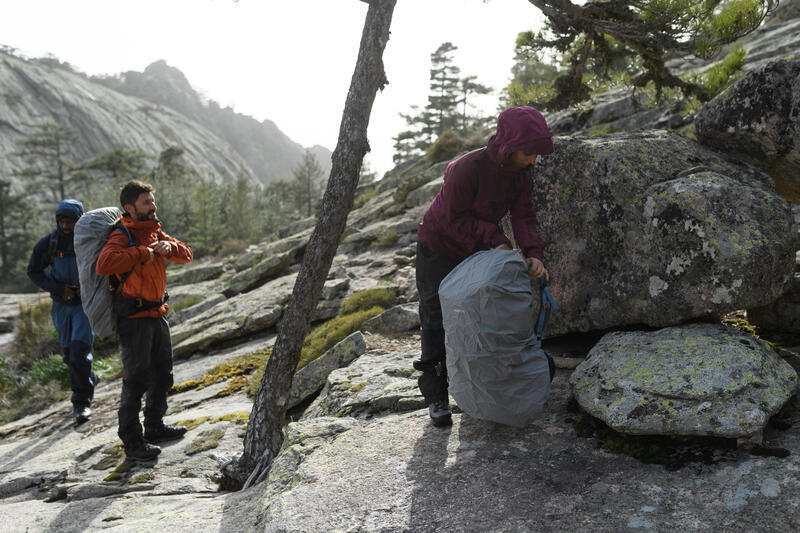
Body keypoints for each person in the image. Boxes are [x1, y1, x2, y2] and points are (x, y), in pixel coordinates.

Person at [414, 106, 553, 427]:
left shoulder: (521, 172)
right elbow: (455, 219)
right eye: (529, 152)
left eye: (536, 153)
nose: (534, 159)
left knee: (478, 313)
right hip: (438, 246)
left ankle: (484, 387)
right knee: (435, 318)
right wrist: (497, 240)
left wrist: (533, 254)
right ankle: (436, 394)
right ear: (509, 144)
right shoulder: (468, 168)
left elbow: (523, 215)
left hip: (476, 249)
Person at [96, 180, 193, 461]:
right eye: (147, 202)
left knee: (163, 374)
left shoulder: (154, 230)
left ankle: (155, 426)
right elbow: (104, 264)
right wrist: (142, 253)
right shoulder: (122, 234)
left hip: (157, 313)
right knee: (136, 381)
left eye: (153, 201)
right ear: (130, 207)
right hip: (135, 319)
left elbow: (187, 254)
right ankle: (132, 442)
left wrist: (168, 247)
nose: (154, 206)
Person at [27, 199, 96, 425]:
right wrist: (58, 288)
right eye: (62, 221)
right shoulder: (50, 243)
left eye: (71, 221)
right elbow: (33, 271)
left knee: (79, 353)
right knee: (69, 356)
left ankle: (81, 404)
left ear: (80, 220)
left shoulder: (88, 241)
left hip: (84, 306)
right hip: (60, 307)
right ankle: (89, 378)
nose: (66, 226)